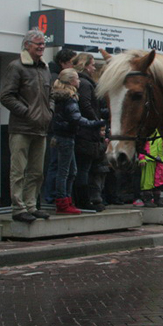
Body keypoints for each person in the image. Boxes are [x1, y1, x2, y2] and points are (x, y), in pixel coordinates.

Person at [0, 29, 53, 223]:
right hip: (21, 128)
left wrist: (49, 111)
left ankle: (31, 205)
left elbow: (51, 95)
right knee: (18, 170)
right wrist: (27, 112)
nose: (41, 47)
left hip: (41, 128)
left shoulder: (44, 69)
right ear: (26, 45)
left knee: (37, 171)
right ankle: (18, 208)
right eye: (37, 44)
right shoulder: (16, 67)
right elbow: (6, 96)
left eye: (43, 44)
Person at [51, 69, 106, 215]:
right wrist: (95, 123)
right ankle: (63, 202)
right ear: (70, 81)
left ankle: (66, 199)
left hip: (64, 135)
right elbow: (76, 118)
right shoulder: (70, 97)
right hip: (66, 136)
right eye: (76, 79)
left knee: (71, 170)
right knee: (65, 171)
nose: (79, 81)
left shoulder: (61, 96)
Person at [72, 53, 107, 212]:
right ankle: (84, 200)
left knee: (86, 168)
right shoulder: (86, 84)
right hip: (87, 133)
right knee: (85, 168)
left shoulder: (86, 83)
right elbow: (86, 105)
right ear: (86, 65)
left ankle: (85, 199)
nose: (94, 68)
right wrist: (97, 122)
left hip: (87, 131)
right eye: (92, 65)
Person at [43, 48, 78, 204]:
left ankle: (56, 196)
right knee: (60, 167)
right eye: (72, 63)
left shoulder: (54, 77)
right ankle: (56, 197)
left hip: (56, 128)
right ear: (63, 63)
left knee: (59, 166)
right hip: (59, 130)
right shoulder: (57, 81)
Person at [138, 132, 163, 207]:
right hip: (148, 158)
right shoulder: (148, 130)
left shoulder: (159, 131)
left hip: (159, 158)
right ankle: (147, 199)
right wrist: (142, 158)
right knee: (147, 180)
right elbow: (141, 145)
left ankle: (157, 199)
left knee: (158, 180)